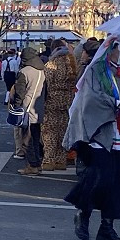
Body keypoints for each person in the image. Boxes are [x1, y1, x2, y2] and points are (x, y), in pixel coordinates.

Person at [64, 36, 120, 240]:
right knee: (100, 179)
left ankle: (107, 226)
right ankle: (84, 213)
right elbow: (91, 98)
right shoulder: (96, 71)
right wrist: (118, 103)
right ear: (111, 49)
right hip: (101, 132)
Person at [41, 40, 78, 172]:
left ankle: (49, 160)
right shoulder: (73, 64)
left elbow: (47, 83)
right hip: (67, 101)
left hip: (52, 101)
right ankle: (60, 160)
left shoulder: (51, 64)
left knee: (49, 132)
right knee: (63, 131)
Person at [15, 47, 47, 176]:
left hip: (27, 108)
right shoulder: (43, 71)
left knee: (27, 139)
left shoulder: (24, 71)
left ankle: (32, 165)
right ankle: (37, 164)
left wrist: (17, 107)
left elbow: (20, 92)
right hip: (39, 108)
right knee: (36, 137)